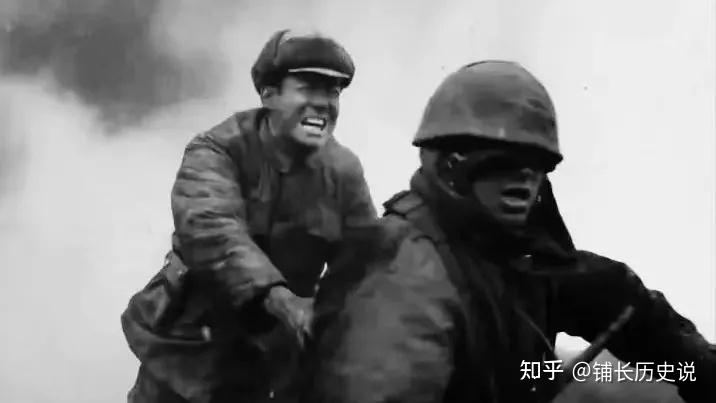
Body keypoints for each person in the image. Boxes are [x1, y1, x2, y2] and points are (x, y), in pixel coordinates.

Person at [303, 60, 716, 403]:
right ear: (450, 164)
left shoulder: (517, 257)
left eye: (536, 163)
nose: (523, 178)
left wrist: (701, 368)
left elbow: (623, 303)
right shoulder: (403, 275)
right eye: (501, 160)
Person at [121, 28, 377, 403]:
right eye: (308, 88)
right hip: (185, 352)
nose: (324, 104)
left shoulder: (343, 172)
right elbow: (212, 228)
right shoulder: (216, 149)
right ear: (268, 94)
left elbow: (366, 261)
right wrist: (282, 301)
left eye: (333, 92)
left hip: (268, 365)